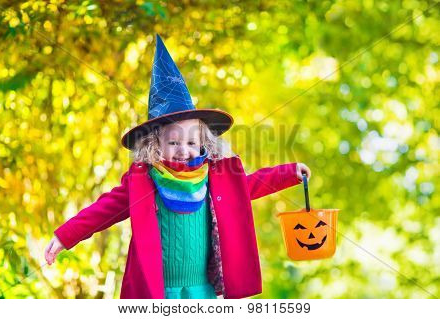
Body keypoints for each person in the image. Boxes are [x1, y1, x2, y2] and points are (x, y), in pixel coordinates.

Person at [44, 34, 311, 299]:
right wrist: (64, 237)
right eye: (173, 142)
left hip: (201, 291)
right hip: (159, 293)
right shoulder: (144, 181)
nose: (184, 149)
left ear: (203, 142)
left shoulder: (214, 178)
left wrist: (289, 173)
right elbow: (103, 210)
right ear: (155, 144)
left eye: (192, 142)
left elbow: (252, 184)